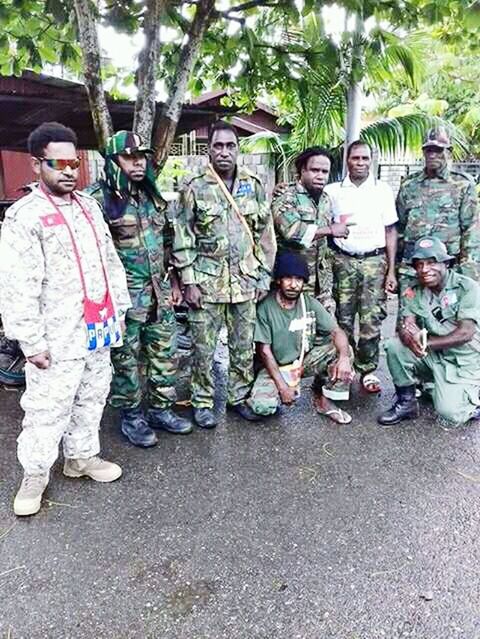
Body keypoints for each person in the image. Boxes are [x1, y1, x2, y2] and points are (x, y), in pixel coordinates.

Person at [0, 122, 130, 517]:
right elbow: (16, 284)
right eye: (59, 163)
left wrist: (119, 309)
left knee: (92, 396)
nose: (70, 171)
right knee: (47, 407)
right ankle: (35, 475)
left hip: (96, 328)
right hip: (56, 335)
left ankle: (80, 458)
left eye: (74, 162)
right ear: (38, 165)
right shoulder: (26, 216)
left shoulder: (89, 207)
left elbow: (110, 262)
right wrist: (30, 340)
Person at [87, 130, 192, 448]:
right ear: (113, 161)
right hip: (124, 299)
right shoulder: (96, 200)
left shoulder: (153, 197)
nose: (137, 163)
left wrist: (176, 281)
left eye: (141, 157)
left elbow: (170, 242)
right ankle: (132, 416)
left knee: (165, 354)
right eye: (129, 157)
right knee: (127, 360)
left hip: (159, 295)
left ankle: (161, 409)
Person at [173, 120, 277, 428]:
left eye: (230, 146)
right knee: (202, 349)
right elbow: (182, 236)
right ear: (209, 150)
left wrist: (263, 277)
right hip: (206, 283)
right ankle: (203, 401)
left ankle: (238, 397)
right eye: (218, 146)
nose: (224, 152)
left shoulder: (254, 185)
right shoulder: (195, 186)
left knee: (243, 347)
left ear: (238, 150)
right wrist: (189, 281)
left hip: (245, 281)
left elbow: (265, 236)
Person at [379, 236, 480, 427]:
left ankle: (471, 395)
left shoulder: (467, 288)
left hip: (463, 361)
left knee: (450, 415)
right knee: (394, 346)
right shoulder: (413, 291)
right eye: (419, 264)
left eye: (432, 262)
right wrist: (410, 337)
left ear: (446, 263)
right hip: (433, 356)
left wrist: (424, 342)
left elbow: (466, 333)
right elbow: (405, 325)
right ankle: (407, 403)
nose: (424, 269)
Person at [324, 140, 398, 394]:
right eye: (356, 158)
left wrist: (390, 270)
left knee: (371, 320)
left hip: (374, 262)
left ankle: (367, 369)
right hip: (342, 261)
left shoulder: (383, 190)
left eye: (365, 158)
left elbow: (390, 230)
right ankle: (345, 365)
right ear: (347, 160)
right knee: (341, 318)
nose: (361, 163)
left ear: (371, 161)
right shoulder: (333, 191)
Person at [246, 253, 354, 423]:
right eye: (288, 278)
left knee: (342, 350)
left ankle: (325, 400)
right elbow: (264, 351)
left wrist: (344, 358)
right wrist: (282, 388)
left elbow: (336, 332)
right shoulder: (266, 307)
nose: (293, 285)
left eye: (299, 279)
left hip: (302, 363)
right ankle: (265, 391)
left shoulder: (308, 302)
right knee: (263, 407)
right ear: (279, 280)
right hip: (275, 367)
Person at [396, 127, 480, 294]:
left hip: (448, 268)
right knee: (409, 318)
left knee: (447, 318)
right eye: (428, 150)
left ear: (449, 151)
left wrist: (469, 274)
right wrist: (395, 268)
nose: (432, 154)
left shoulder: (462, 184)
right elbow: (399, 227)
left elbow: (471, 231)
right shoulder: (409, 185)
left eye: (438, 150)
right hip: (413, 269)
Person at [271, 147, 347, 310]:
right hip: (294, 283)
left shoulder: (326, 199)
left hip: (322, 284)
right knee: (295, 331)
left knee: (325, 331)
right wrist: (331, 230)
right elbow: (293, 232)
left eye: (324, 171)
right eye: (314, 170)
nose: (320, 176)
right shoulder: (286, 196)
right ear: (302, 171)